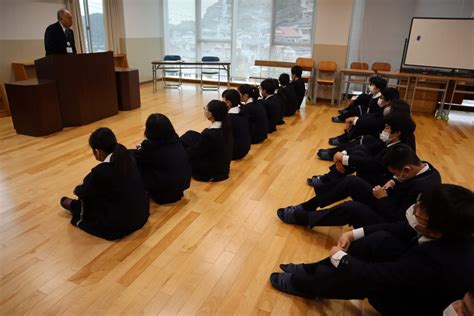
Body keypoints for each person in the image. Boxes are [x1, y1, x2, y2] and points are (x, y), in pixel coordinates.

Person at [271, 184, 474, 316]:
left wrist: (341, 259)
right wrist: (353, 234)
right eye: (418, 203)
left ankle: (305, 285)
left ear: (437, 232)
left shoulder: (438, 261)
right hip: (412, 272)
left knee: (361, 279)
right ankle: (312, 270)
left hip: (411, 304)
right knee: (378, 240)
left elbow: (380, 276)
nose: (414, 209)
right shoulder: (448, 230)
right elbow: (398, 227)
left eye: (419, 212)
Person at [277, 144, 441, 229]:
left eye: (396, 173)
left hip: (389, 219)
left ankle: (304, 218)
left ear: (406, 169)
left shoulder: (423, 189)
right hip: (386, 200)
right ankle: (306, 207)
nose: (395, 175)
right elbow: (401, 178)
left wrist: (382, 198)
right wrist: (394, 181)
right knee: (351, 181)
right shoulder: (425, 168)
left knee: (352, 208)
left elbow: (398, 219)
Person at [60, 128, 150, 240]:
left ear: (97, 151)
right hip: (141, 214)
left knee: (88, 200)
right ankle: (75, 205)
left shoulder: (101, 171)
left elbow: (83, 191)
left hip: (121, 225)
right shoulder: (126, 154)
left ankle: (74, 206)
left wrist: (77, 190)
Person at [133, 113, 191, 204]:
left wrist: (140, 149)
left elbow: (137, 156)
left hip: (162, 193)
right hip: (181, 186)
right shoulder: (175, 139)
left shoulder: (151, 147)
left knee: (135, 163)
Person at [180, 100, 233, 182]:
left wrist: (182, 153)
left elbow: (196, 152)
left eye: (206, 109)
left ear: (210, 114)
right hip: (223, 168)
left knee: (185, 150)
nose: (204, 110)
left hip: (209, 173)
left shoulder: (209, 134)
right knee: (190, 134)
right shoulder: (226, 126)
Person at [222, 89, 251, 160]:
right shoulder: (243, 109)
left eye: (223, 100)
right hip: (245, 149)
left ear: (228, 103)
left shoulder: (228, 118)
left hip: (234, 153)